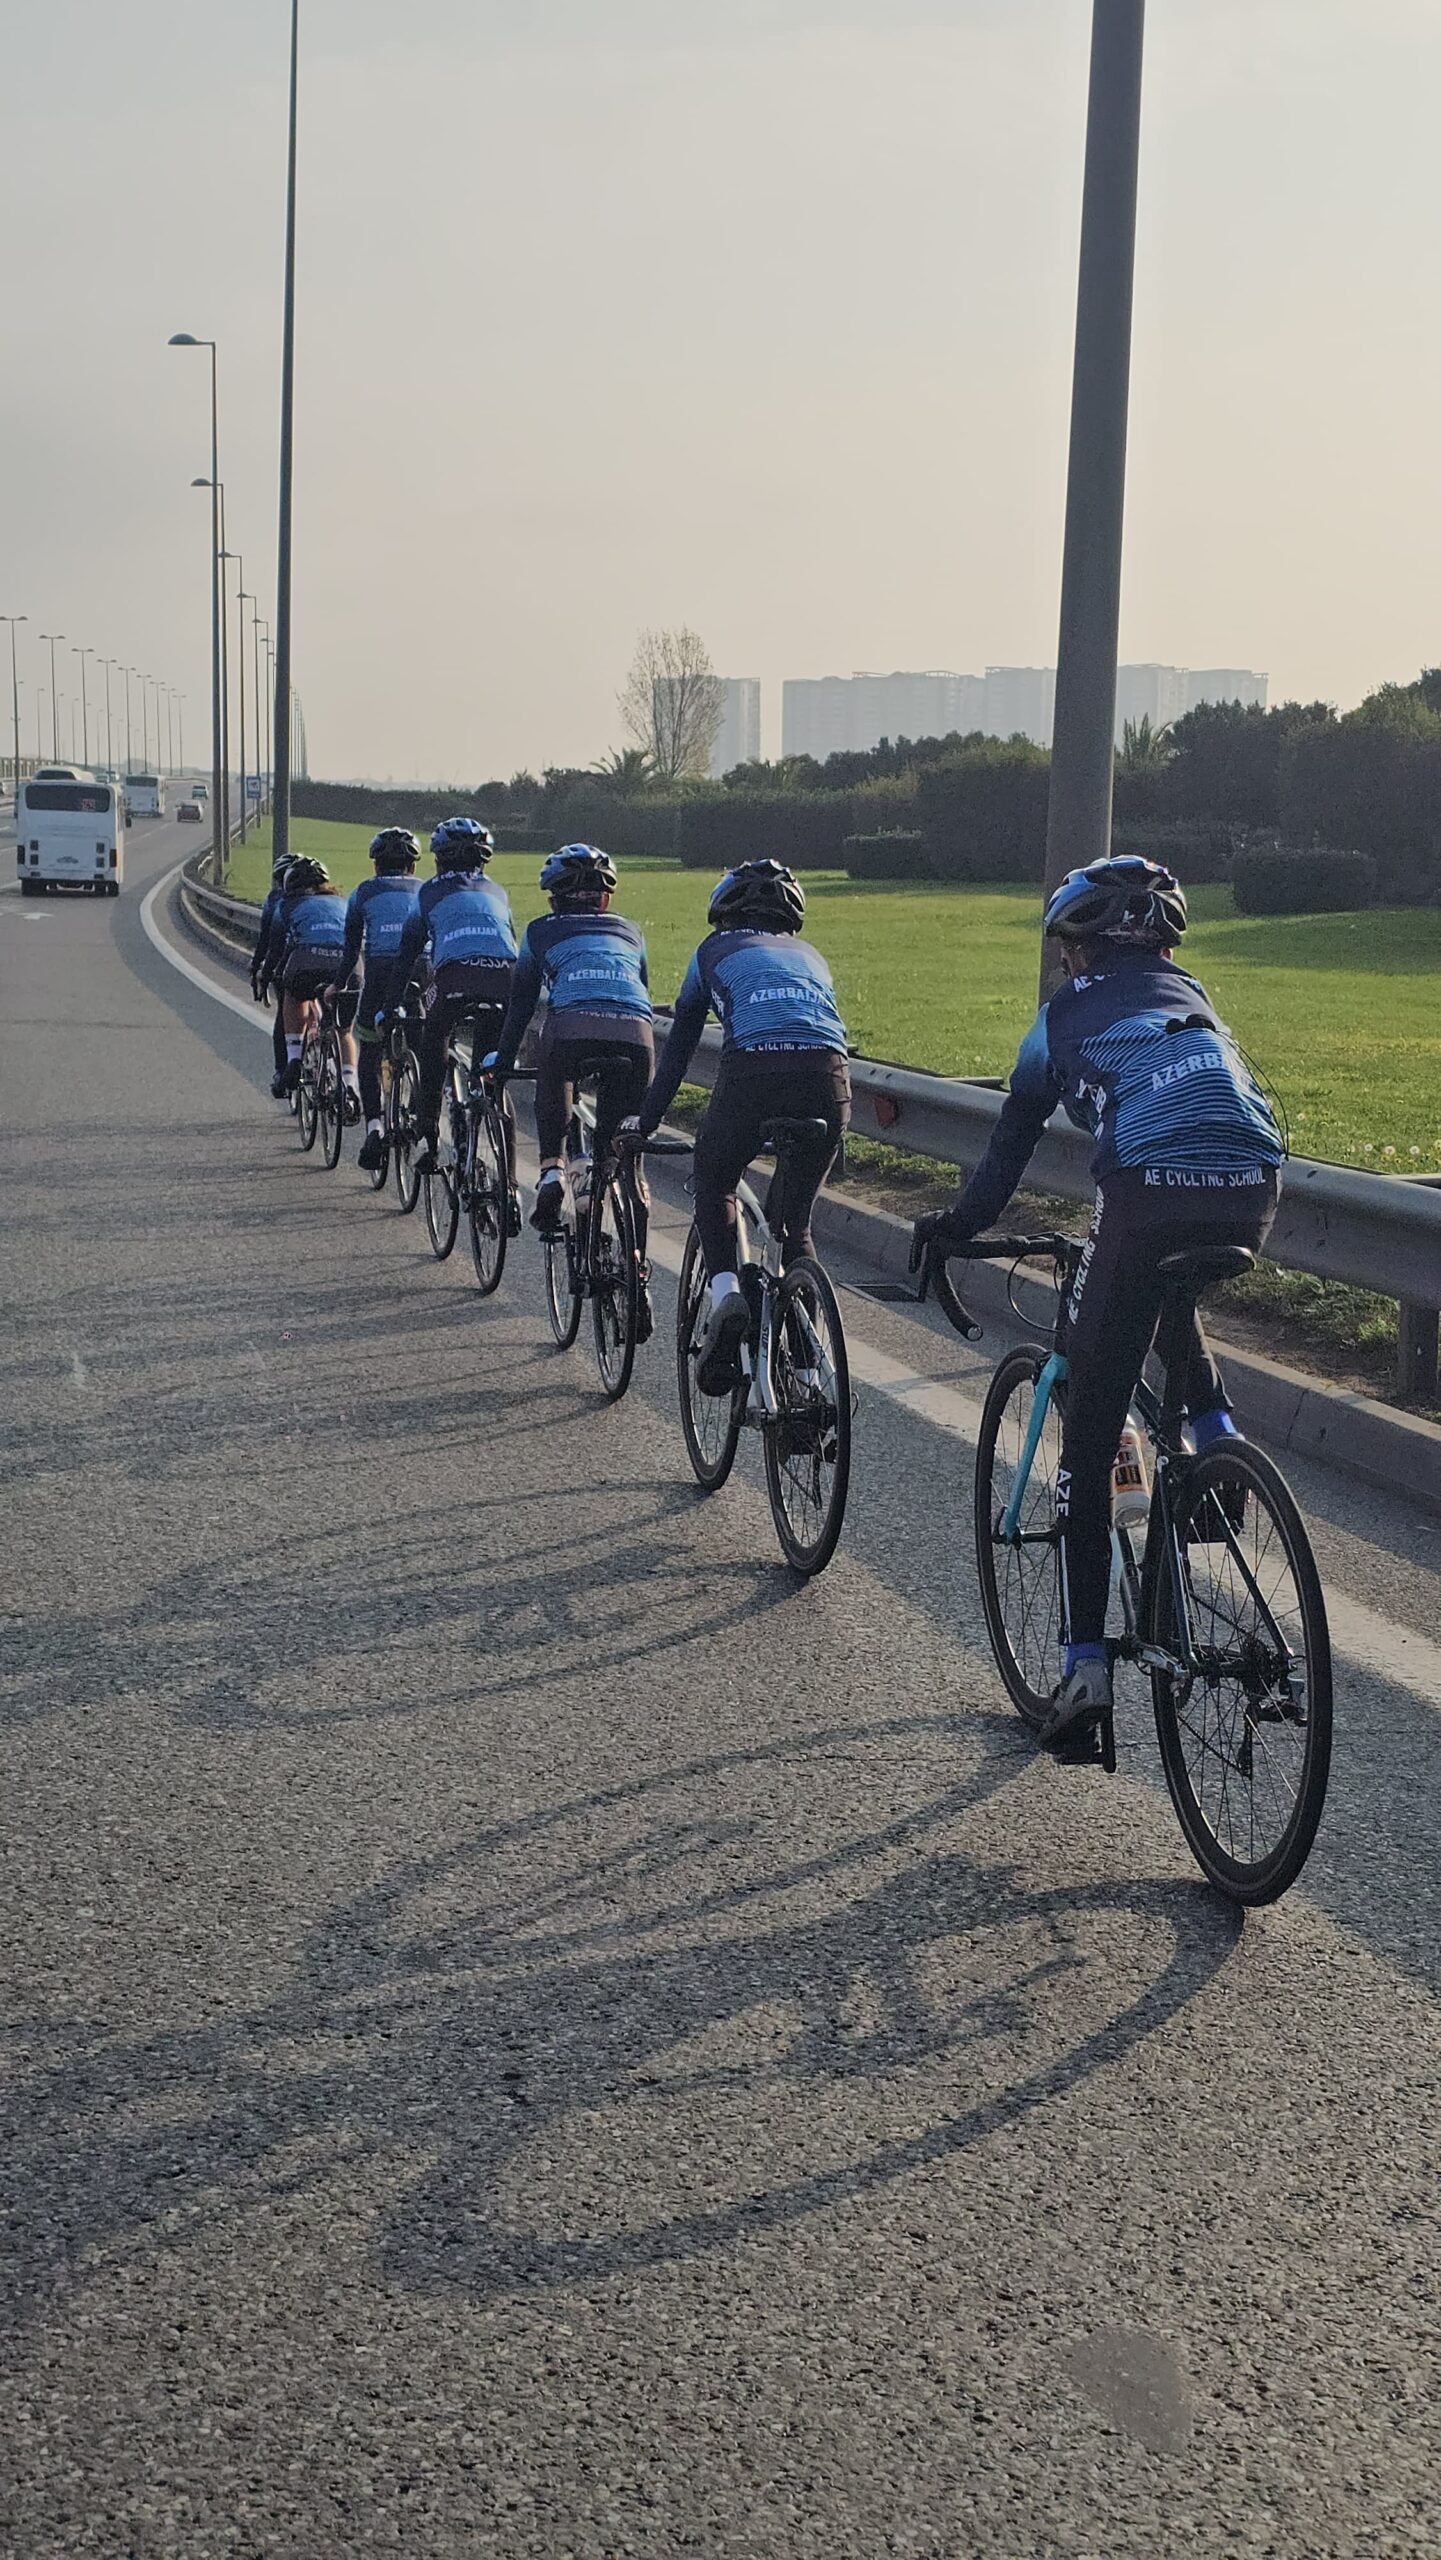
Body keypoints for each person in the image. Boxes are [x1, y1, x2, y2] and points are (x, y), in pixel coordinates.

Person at [913, 855, 1285, 1749]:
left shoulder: (1058, 1020)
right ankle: (1218, 1449)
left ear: (1078, 950)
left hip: (1146, 1189)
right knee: (1167, 1290)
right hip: (1253, 1184)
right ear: (1161, 947)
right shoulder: (1192, 998)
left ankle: (1084, 1673)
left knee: (1087, 1429)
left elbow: (1010, 1142)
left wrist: (957, 1226)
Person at [631, 859, 850, 1394]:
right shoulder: (812, 956)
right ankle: (809, 1374)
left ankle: (727, 1292)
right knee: (795, 1225)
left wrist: (648, 1119)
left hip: (753, 1073)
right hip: (829, 1078)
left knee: (715, 1178)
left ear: (723, 914)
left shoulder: (711, 951)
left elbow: (678, 1048)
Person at [489, 846, 654, 1275]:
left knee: (555, 1074)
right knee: (621, 1157)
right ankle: (636, 1268)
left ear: (553, 900)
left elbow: (521, 1006)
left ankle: (552, 1172)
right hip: (636, 1038)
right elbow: (641, 992)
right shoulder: (631, 931)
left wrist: (502, 1062)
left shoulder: (539, 931)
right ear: (606, 899)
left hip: (570, 1030)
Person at [392, 818, 518, 1176]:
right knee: (491, 1076)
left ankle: (427, 1132)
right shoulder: (498, 892)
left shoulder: (427, 893)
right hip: (505, 978)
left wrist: (389, 1004)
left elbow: (407, 953)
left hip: (454, 977)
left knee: (435, 1038)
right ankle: (508, 1183)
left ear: (438, 859)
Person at [337, 829, 423, 1172]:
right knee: (423, 1044)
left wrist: (336, 986)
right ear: (412, 866)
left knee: (369, 1048)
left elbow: (350, 952)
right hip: (423, 969)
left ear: (376, 866)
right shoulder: (426, 891)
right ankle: (419, 1111)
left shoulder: (362, 892)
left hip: (380, 970)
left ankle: (374, 1128)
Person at [261, 855, 362, 1109]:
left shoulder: (286, 905)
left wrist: (266, 974)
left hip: (307, 962)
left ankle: (294, 1057)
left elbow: (275, 950)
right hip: (347, 967)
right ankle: (349, 1085)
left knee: (293, 995)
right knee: (344, 1031)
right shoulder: (343, 902)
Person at [251, 853, 297, 1098]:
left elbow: (266, 942)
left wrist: (258, 969)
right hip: (332, 963)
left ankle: (281, 1071)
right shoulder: (324, 899)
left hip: (288, 966)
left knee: (285, 1016)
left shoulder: (276, 901)